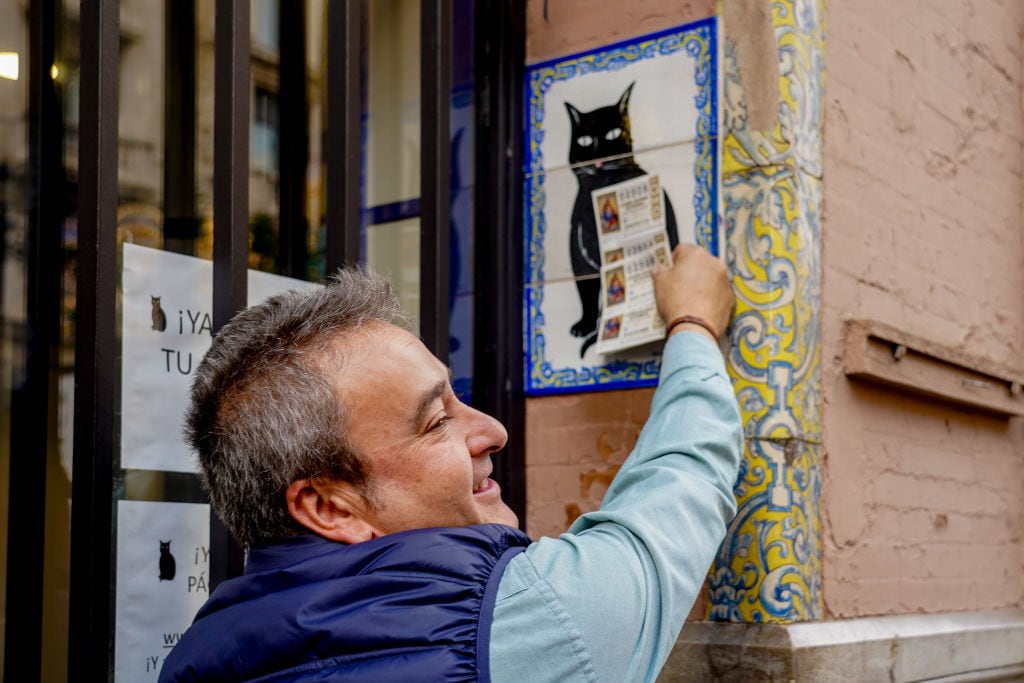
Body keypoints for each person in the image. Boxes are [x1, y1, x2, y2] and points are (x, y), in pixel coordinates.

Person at [160, 243, 742, 683]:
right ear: (326, 505)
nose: (493, 430)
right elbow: (679, 487)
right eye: (436, 420)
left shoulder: (194, 656)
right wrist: (694, 324)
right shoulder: (507, 626)